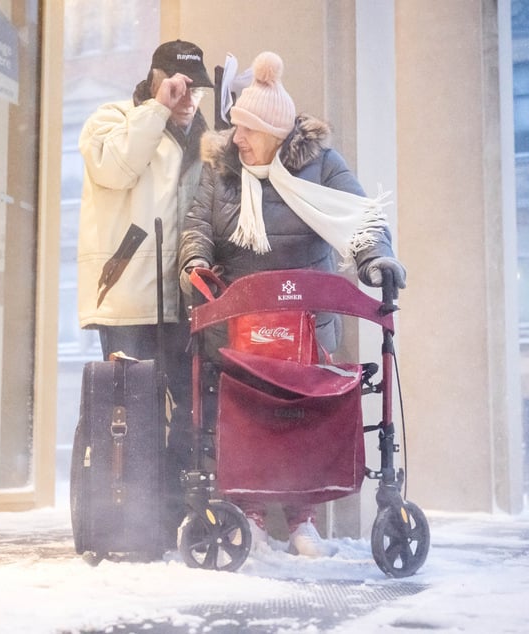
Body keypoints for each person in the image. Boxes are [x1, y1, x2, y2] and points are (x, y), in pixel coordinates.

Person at [178, 51, 407, 557]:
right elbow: (196, 225)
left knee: (303, 418)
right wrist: (194, 260)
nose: (236, 138)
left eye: (247, 131)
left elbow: (361, 218)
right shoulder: (221, 169)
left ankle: (303, 521)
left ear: (276, 136)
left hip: (307, 318)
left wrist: (378, 261)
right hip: (240, 320)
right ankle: (252, 518)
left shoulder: (320, 165)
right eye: (235, 128)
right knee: (250, 416)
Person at [76, 40, 214, 540]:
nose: (188, 97)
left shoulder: (204, 139)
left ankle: (169, 515)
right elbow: (115, 168)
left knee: (191, 410)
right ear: (156, 79)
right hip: (127, 298)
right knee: (127, 415)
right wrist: (157, 108)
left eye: (196, 88)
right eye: (178, 85)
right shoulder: (111, 119)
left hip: (183, 301)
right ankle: (121, 518)